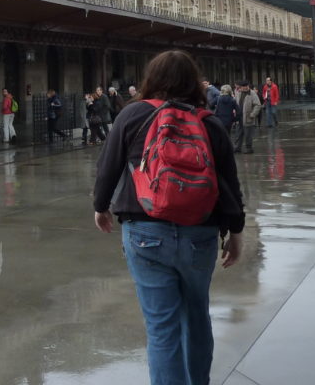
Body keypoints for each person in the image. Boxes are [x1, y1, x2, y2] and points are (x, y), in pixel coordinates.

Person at [93, 50, 244, 385]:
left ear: (151, 79)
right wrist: (236, 232)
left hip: (144, 229)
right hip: (199, 232)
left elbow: (108, 167)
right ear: (194, 81)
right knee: (196, 316)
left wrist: (100, 205)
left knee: (162, 329)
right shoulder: (208, 122)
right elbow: (229, 183)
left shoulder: (132, 115)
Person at [235, 81, 262, 154]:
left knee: (248, 135)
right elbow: (235, 103)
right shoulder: (238, 93)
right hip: (239, 117)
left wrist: (253, 114)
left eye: (247, 86)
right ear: (241, 87)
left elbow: (258, 105)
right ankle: (237, 148)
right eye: (244, 87)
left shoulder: (252, 93)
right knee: (238, 134)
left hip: (248, 118)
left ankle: (249, 148)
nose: (246, 88)